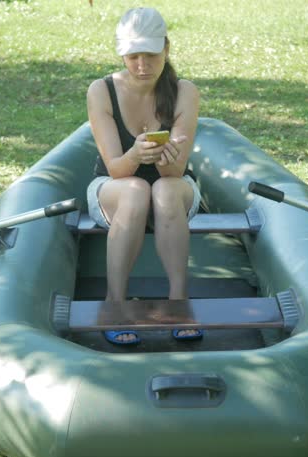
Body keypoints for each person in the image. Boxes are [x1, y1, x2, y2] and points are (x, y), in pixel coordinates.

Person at [86, 7, 201, 346]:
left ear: (166, 48)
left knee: (164, 189)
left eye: (150, 55)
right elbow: (115, 169)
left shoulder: (184, 91)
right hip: (116, 186)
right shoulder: (101, 90)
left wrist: (164, 159)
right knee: (135, 189)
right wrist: (136, 155)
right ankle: (115, 302)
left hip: (173, 187)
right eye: (132, 56)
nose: (141, 65)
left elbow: (176, 171)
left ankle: (179, 302)